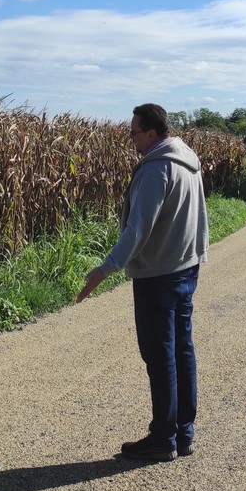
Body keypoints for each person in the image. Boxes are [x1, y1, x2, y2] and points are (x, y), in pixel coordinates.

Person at [76, 103, 209, 462]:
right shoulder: (189, 159)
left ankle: (163, 438)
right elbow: (199, 215)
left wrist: (104, 270)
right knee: (182, 350)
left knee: (160, 355)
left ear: (152, 133)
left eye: (134, 132)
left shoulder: (156, 169)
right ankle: (184, 433)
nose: (131, 138)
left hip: (157, 275)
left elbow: (138, 228)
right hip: (186, 267)